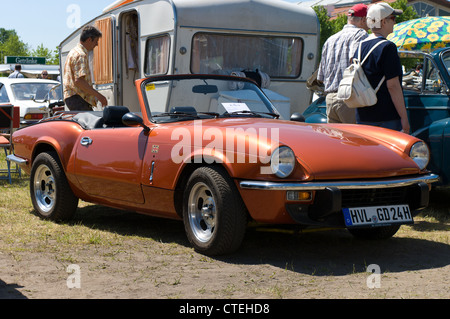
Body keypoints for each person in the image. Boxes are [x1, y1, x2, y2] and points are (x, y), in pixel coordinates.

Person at [355, 2, 410, 134]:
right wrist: (404, 117)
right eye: (393, 18)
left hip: (363, 114)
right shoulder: (388, 47)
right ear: (384, 21)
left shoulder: (359, 46)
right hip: (386, 117)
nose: (395, 22)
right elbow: (393, 85)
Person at [317, 3, 369, 124]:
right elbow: (356, 62)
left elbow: (321, 76)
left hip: (330, 99)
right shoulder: (360, 35)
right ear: (363, 20)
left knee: (335, 142)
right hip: (349, 99)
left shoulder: (330, 39)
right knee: (354, 141)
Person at [63, 25, 108, 111]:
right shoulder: (81, 55)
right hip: (79, 98)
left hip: (72, 97)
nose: (97, 44)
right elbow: (79, 81)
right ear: (89, 39)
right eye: (96, 41)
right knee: (90, 123)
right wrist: (99, 96)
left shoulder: (73, 52)